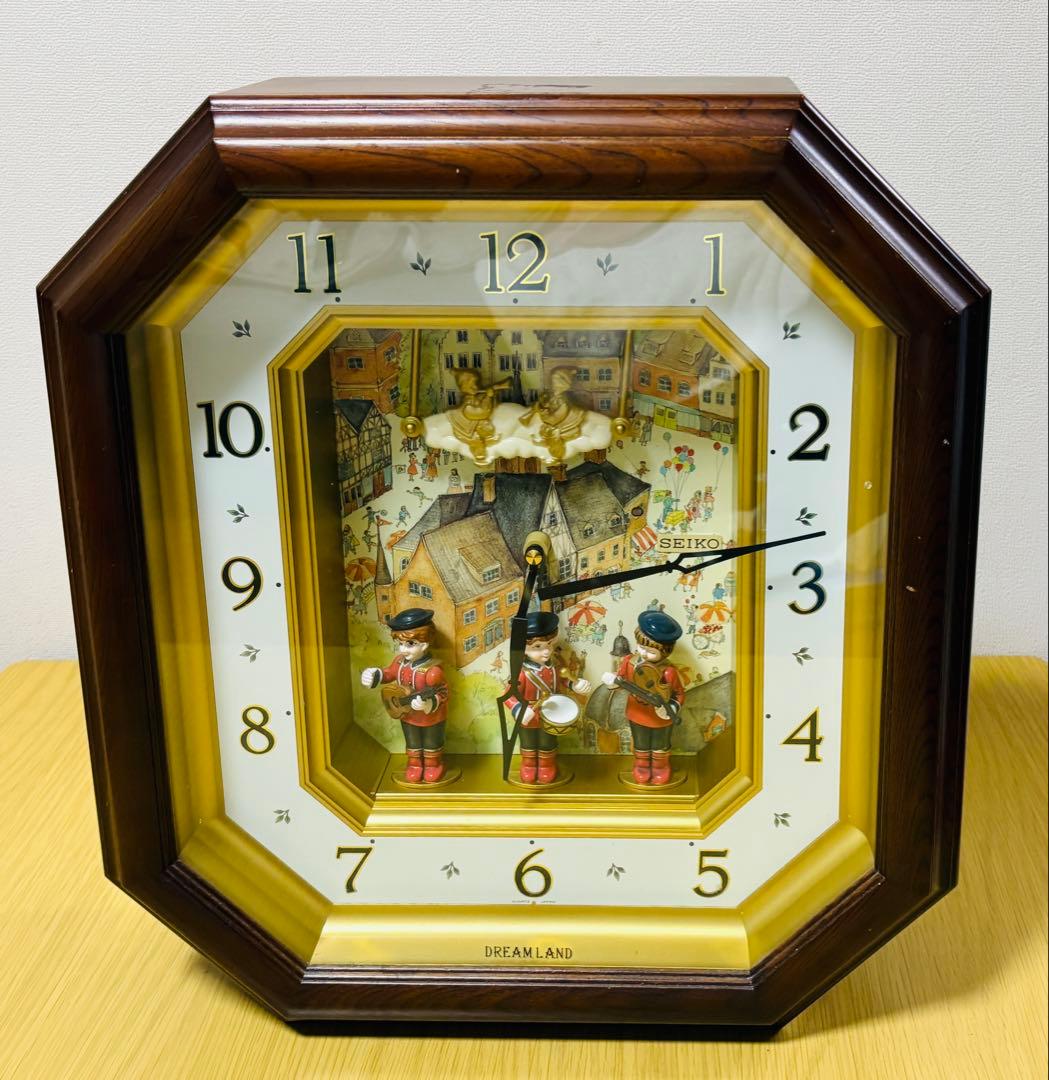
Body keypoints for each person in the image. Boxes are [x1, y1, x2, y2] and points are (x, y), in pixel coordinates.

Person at [361, 608, 449, 784]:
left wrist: (428, 704)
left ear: (425, 643)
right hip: (406, 714)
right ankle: (415, 764)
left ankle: (433, 765)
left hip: (431, 717)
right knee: (412, 740)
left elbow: (444, 692)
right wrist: (374, 675)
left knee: (431, 741)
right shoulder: (400, 663)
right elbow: (389, 673)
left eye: (410, 644)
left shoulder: (432, 671)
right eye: (400, 644)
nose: (403, 650)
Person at [505, 611, 590, 785]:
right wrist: (518, 708)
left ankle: (546, 765)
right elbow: (508, 694)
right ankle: (529, 765)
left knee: (547, 741)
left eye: (549, 644)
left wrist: (576, 685)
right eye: (538, 647)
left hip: (551, 713)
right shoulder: (521, 672)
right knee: (528, 741)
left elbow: (564, 680)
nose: (546, 651)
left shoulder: (555, 666)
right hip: (529, 714)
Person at [601, 611, 684, 786]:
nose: (644, 653)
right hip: (637, 713)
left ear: (665, 652)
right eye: (641, 647)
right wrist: (612, 682)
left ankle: (660, 766)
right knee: (641, 742)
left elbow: (679, 693)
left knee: (660, 744)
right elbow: (620, 680)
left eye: (651, 651)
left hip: (660, 718)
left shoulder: (668, 671)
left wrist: (672, 707)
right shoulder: (630, 662)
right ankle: (642, 765)